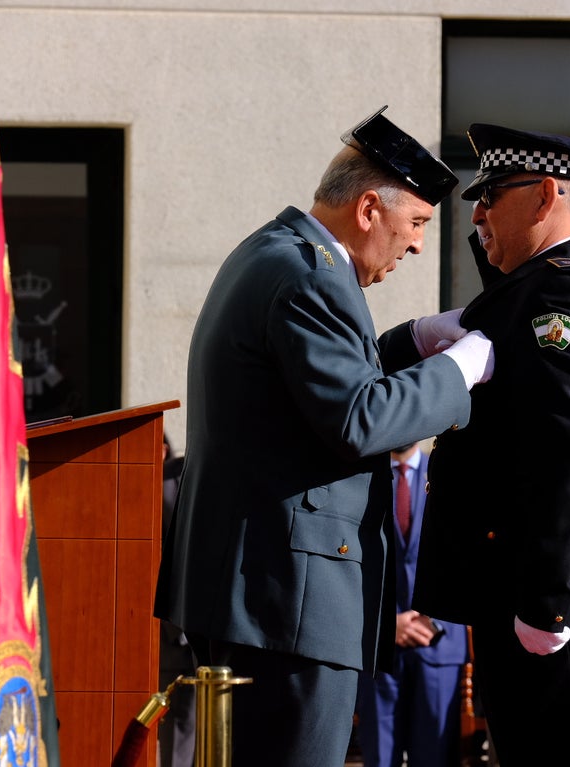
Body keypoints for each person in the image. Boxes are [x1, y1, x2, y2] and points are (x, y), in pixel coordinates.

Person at [153, 106, 496, 766]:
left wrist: (412, 341)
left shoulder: (279, 253)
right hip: (290, 601)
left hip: (263, 590)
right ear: (370, 208)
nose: (419, 244)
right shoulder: (311, 275)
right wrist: (459, 370)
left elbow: (314, 384)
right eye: (417, 223)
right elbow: (359, 418)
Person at [413, 123, 570, 767]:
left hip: (554, 602)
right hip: (530, 593)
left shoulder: (562, 294)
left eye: (491, 196)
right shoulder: (549, 284)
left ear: (544, 197)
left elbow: (566, 460)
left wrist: (544, 602)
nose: (478, 212)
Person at [354, 444, 468, 767]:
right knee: (380, 758)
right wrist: (386, 623)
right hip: (377, 649)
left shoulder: (451, 470)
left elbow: (466, 555)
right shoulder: (361, 477)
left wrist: (438, 619)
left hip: (439, 644)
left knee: (435, 757)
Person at [158, 434, 195, 767]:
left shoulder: (238, 476)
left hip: (224, 629)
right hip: (174, 632)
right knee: (178, 729)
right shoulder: (164, 482)